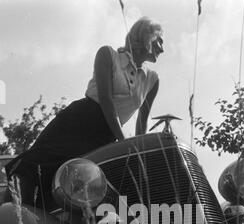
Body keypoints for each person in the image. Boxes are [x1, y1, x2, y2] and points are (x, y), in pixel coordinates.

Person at [5, 16, 164, 209]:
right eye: (159, 40)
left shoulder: (152, 80)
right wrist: (123, 142)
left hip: (105, 136)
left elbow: (142, 123)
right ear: (146, 35)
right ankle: (7, 214)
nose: (162, 48)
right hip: (79, 121)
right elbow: (106, 101)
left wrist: (142, 154)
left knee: (74, 183)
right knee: (35, 167)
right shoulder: (108, 54)